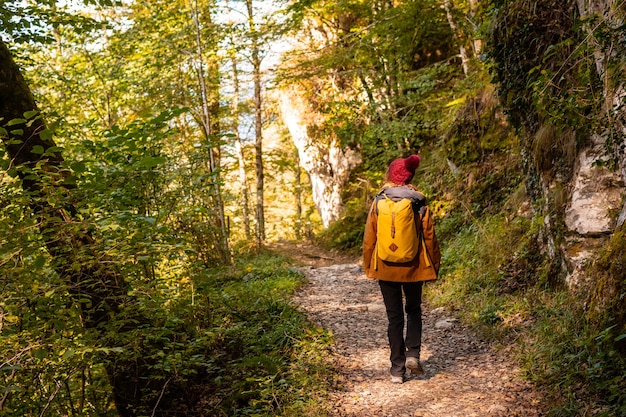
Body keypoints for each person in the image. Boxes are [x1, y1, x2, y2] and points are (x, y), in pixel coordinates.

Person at [362, 154, 441, 384]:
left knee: (394, 317)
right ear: (409, 177)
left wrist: (370, 266)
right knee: (414, 310)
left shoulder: (378, 202)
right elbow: (430, 238)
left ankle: (397, 370)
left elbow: (369, 238)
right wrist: (434, 266)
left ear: (390, 176)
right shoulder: (419, 203)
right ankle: (413, 355)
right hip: (414, 267)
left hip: (385, 268)